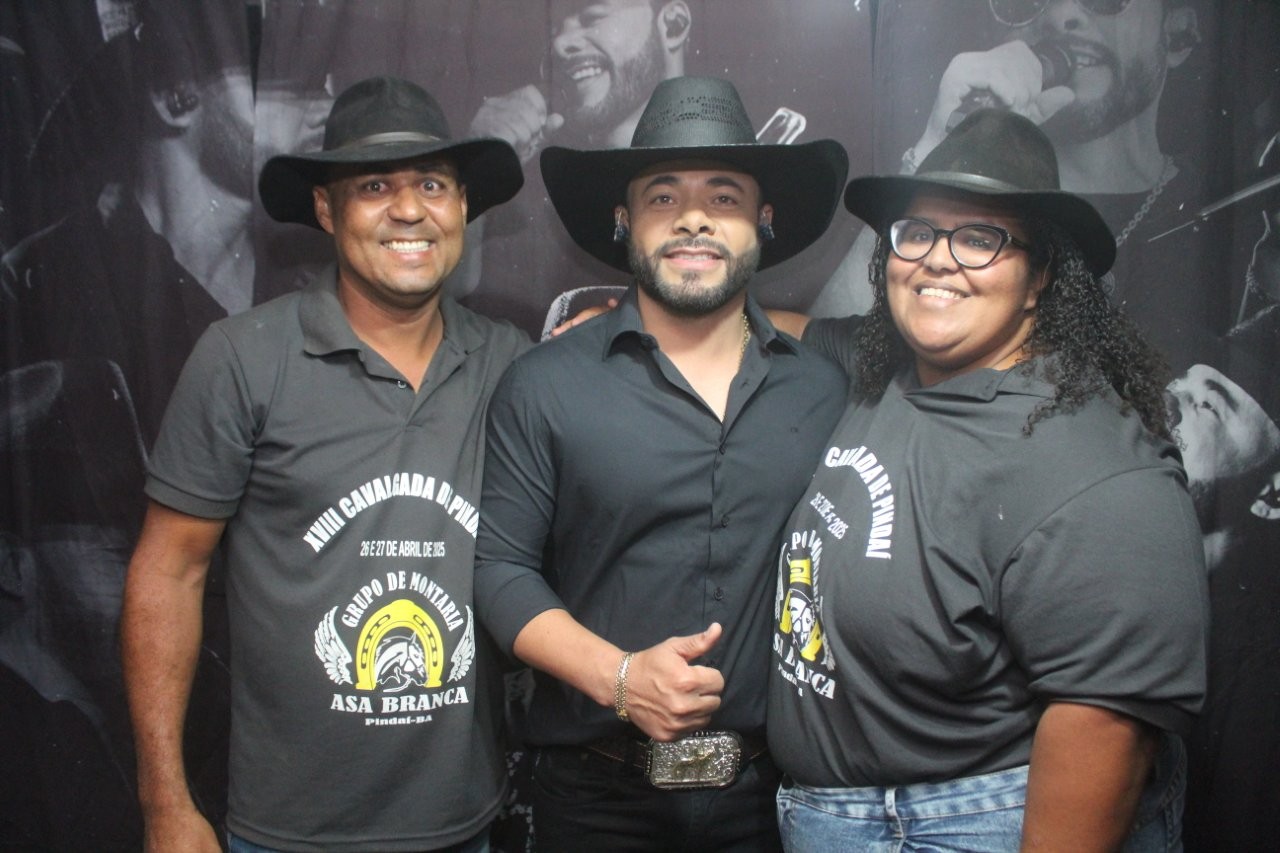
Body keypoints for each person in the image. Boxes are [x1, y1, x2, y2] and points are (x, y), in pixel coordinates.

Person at [769, 109, 1207, 850]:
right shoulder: (884, 369)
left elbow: (1105, 731)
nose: (938, 261)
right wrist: (621, 320)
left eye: (979, 238)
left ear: (1040, 278)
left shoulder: (1098, 472)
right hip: (837, 819)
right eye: (917, 233)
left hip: (958, 827)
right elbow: (772, 329)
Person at [120, 76, 528, 852]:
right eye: (374, 186)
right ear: (325, 209)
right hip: (287, 831)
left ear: (462, 207)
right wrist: (164, 801)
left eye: (432, 184)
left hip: (466, 824)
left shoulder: (511, 362)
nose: (408, 210)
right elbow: (168, 573)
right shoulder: (243, 358)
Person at [473, 76, 849, 851]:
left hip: (773, 802)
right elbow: (500, 570)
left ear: (764, 219)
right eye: (664, 196)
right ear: (625, 219)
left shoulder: (822, 390)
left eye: (724, 196)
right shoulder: (546, 384)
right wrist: (620, 678)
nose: (694, 218)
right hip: (596, 799)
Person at [812, 0, 1220, 361]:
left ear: (1179, 34)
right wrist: (938, 143)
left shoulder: (1226, 224)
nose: (1062, 14)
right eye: (1027, 1)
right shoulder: (963, 194)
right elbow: (829, 358)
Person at [459, 0, 693, 335]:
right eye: (554, 27)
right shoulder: (529, 199)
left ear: (673, 25)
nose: (559, 43)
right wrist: (475, 168)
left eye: (591, 17)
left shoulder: (751, 189)